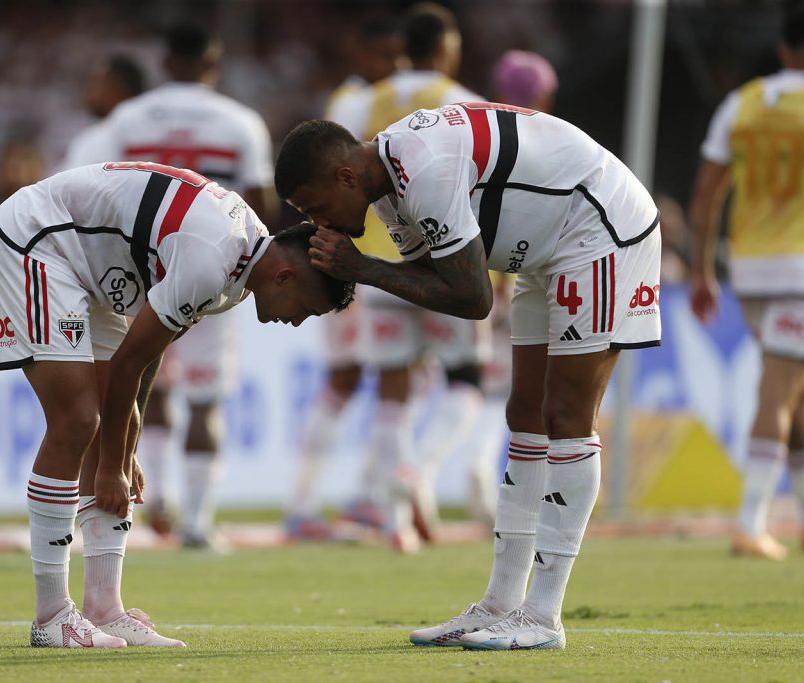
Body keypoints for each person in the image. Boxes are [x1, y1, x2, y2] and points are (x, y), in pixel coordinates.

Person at [274, 98, 661, 649]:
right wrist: (367, 273)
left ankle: (543, 615)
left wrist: (362, 269)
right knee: (523, 412)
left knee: (566, 414)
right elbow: (434, 277)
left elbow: (473, 298)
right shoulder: (386, 191)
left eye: (317, 207)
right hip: (545, 249)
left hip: (599, 229)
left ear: (344, 175)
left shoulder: (423, 168)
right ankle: (502, 603)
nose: (320, 222)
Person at [0, 160, 353, 648]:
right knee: (77, 420)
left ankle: (103, 608)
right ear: (285, 277)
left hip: (97, 265)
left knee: (111, 424)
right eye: (307, 308)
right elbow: (129, 362)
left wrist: (126, 448)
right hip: (40, 240)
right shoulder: (214, 259)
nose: (299, 322)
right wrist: (114, 464)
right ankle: (51, 616)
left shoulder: (241, 262)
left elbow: (147, 353)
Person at [310, 2, 496, 553]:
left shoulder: (362, 101)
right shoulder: (461, 101)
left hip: (375, 262)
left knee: (393, 391)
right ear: (445, 49)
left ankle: (391, 518)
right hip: (445, 258)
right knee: (467, 378)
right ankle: (417, 468)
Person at [94, 23, 279, 550]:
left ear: (165, 61)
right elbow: (259, 208)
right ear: (210, 63)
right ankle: (198, 522)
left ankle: (158, 506)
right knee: (204, 400)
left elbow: (103, 182)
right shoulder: (240, 123)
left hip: (137, 271)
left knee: (148, 387)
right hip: (212, 274)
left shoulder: (126, 119)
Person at [689, 3, 804, 560]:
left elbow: (705, 194)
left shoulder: (738, 104)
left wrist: (700, 271)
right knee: (779, 388)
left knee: (796, 391)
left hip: (748, 268)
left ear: (784, 49)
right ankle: (750, 524)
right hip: (802, 269)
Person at [284, 14, 404, 543]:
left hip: (370, 260)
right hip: (362, 261)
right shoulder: (358, 104)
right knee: (363, 379)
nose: (395, 70)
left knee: (365, 379)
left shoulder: (352, 102)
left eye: (399, 60)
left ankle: (346, 497)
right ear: (365, 55)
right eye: (386, 60)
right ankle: (340, 500)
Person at [61, 55, 146, 171]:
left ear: (119, 86)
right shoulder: (154, 132)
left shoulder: (98, 138)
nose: (88, 91)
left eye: (95, 82)